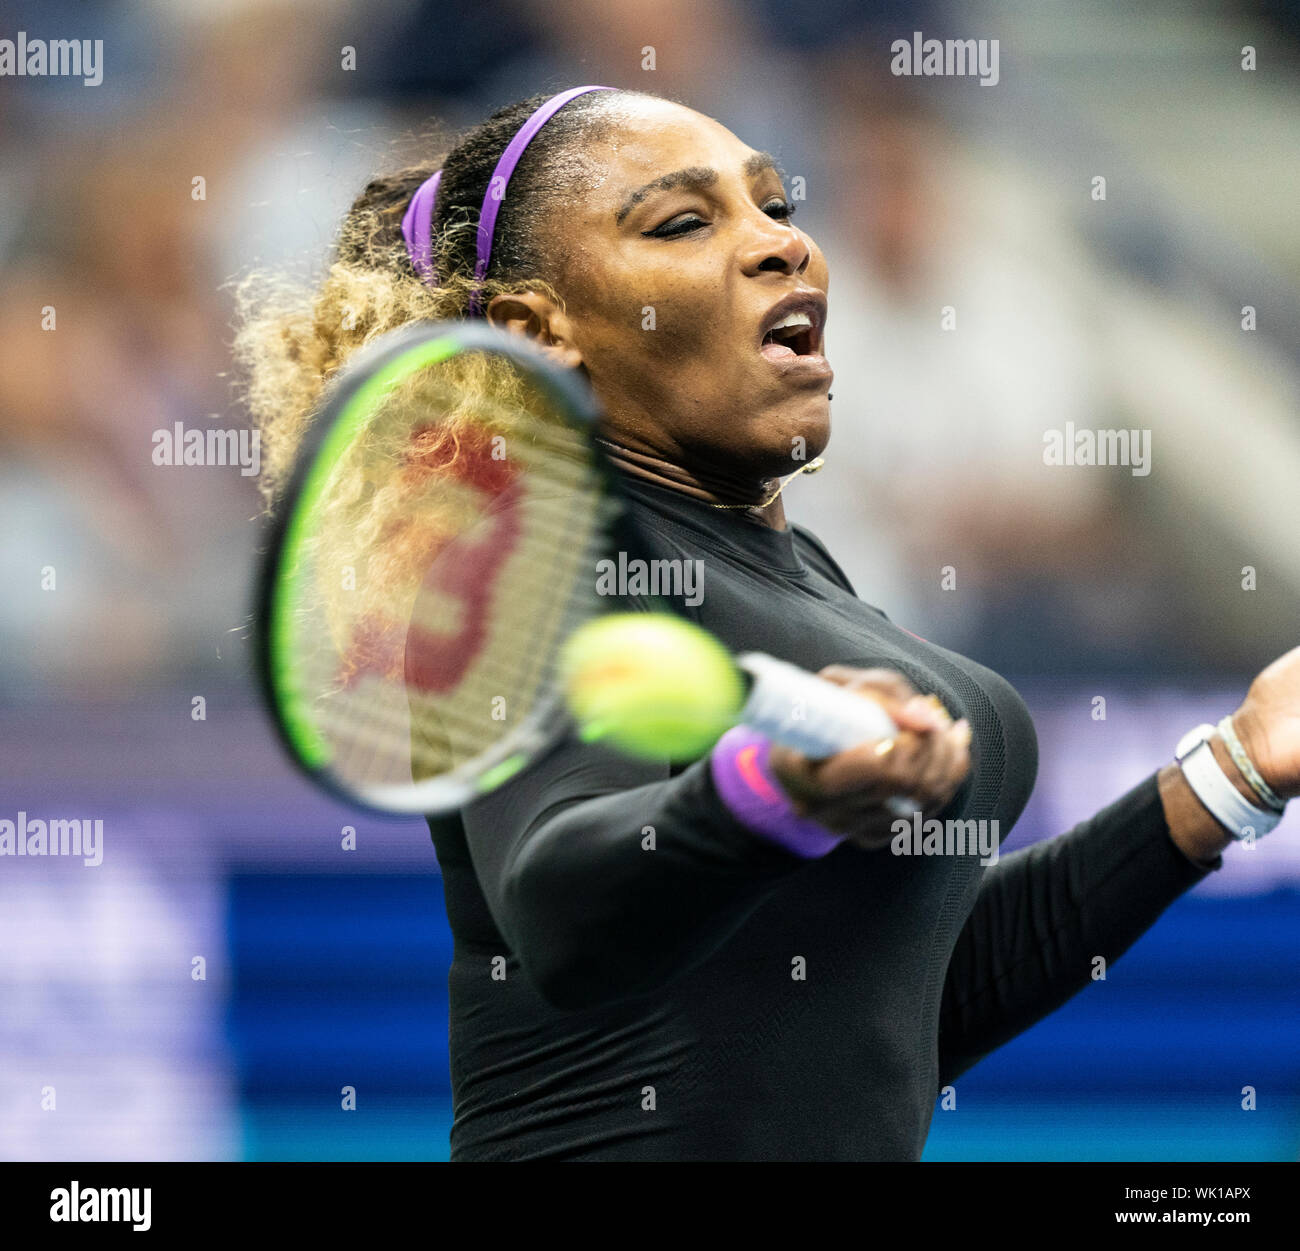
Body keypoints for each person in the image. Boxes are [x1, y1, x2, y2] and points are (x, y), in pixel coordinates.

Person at [237, 86, 1300, 1161]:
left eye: (777, 205)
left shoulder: (806, 575)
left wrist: (1232, 773)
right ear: (537, 333)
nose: (780, 247)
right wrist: (768, 790)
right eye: (683, 223)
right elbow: (557, 904)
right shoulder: (531, 561)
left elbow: (896, 1005)